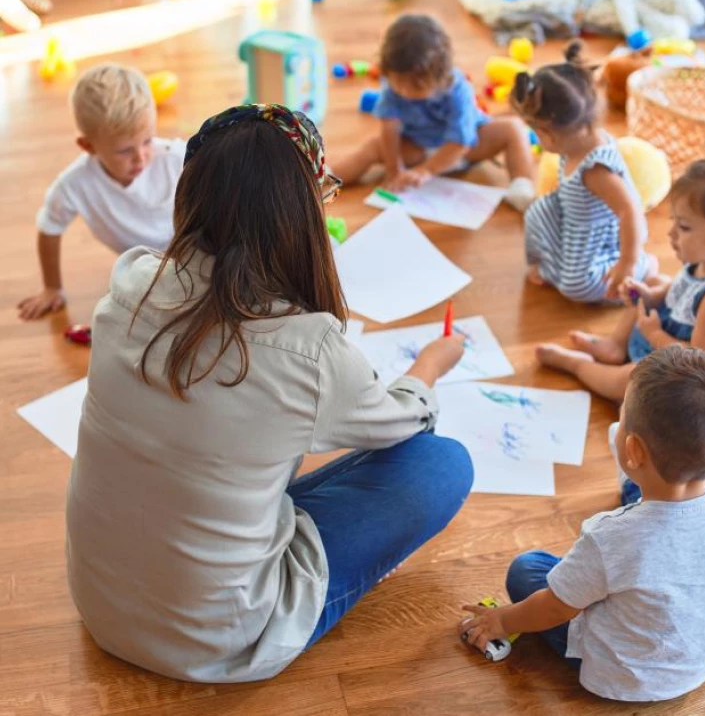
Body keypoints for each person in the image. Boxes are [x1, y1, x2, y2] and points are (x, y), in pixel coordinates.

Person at [66, 103, 474, 683]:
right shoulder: (309, 349)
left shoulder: (131, 283)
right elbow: (402, 425)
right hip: (219, 640)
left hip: (103, 602)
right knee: (441, 463)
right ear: (302, 213)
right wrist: (430, 366)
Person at [459, 347, 705, 703]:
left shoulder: (611, 536)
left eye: (622, 414)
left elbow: (554, 608)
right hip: (696, 667)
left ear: (633, 450)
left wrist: (501, 622)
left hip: (619, 675)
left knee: (527, 568)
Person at [537, 143, 705, 400]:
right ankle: (616, 345)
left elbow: (699, 363)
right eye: (674, 222)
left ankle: (579, 366)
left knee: (633, 378)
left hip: (699, 380)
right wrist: (652, 295)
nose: (670, 234)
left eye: (683, 227)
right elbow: (681, 289)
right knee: (653, 279)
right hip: (675, 337)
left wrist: (655, 335)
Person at [18, 63, 185, 320]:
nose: (141, 157)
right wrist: (52, 287)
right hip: (141, 268)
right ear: (88, 146)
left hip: (194, 251)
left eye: (148, 140)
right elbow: (49, 227)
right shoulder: (74, 185)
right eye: (124, 150)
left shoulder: (177, 158)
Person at [330, 14, 536, 211]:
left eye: (415, 88)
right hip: (419, 148)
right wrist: (394, 168)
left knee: (513, 128)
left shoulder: (458, 89)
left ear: (440, 76)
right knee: (372, 147)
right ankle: (327, 179)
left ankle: (522, 186)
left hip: (466, 149)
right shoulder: (393, 81)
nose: (404, 92)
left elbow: (461, 142)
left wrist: (426, 170)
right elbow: (389, 127)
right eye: (397, 85)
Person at [512, 41, 656, 302]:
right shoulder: (578, 138)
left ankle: (645, 268)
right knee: (536, 211)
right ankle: (555, 267)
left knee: (577, 287)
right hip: (574, 221)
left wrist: (627, 263)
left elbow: (630, 210)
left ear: (549, 134)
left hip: (600, 243)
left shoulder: (596, 170)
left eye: (536, 132)